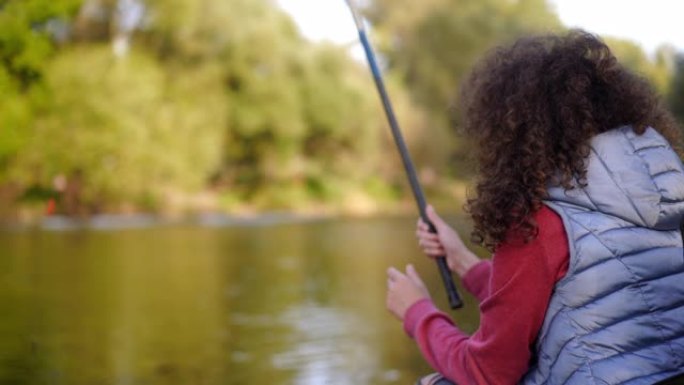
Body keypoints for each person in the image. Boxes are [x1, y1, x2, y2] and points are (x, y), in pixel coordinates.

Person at [385, 30, 684, 385]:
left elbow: (488, 372)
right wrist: (462, 260)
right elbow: (573, 299)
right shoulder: (661, 198)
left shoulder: (539, 223)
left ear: (512, 130)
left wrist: (417, 312)